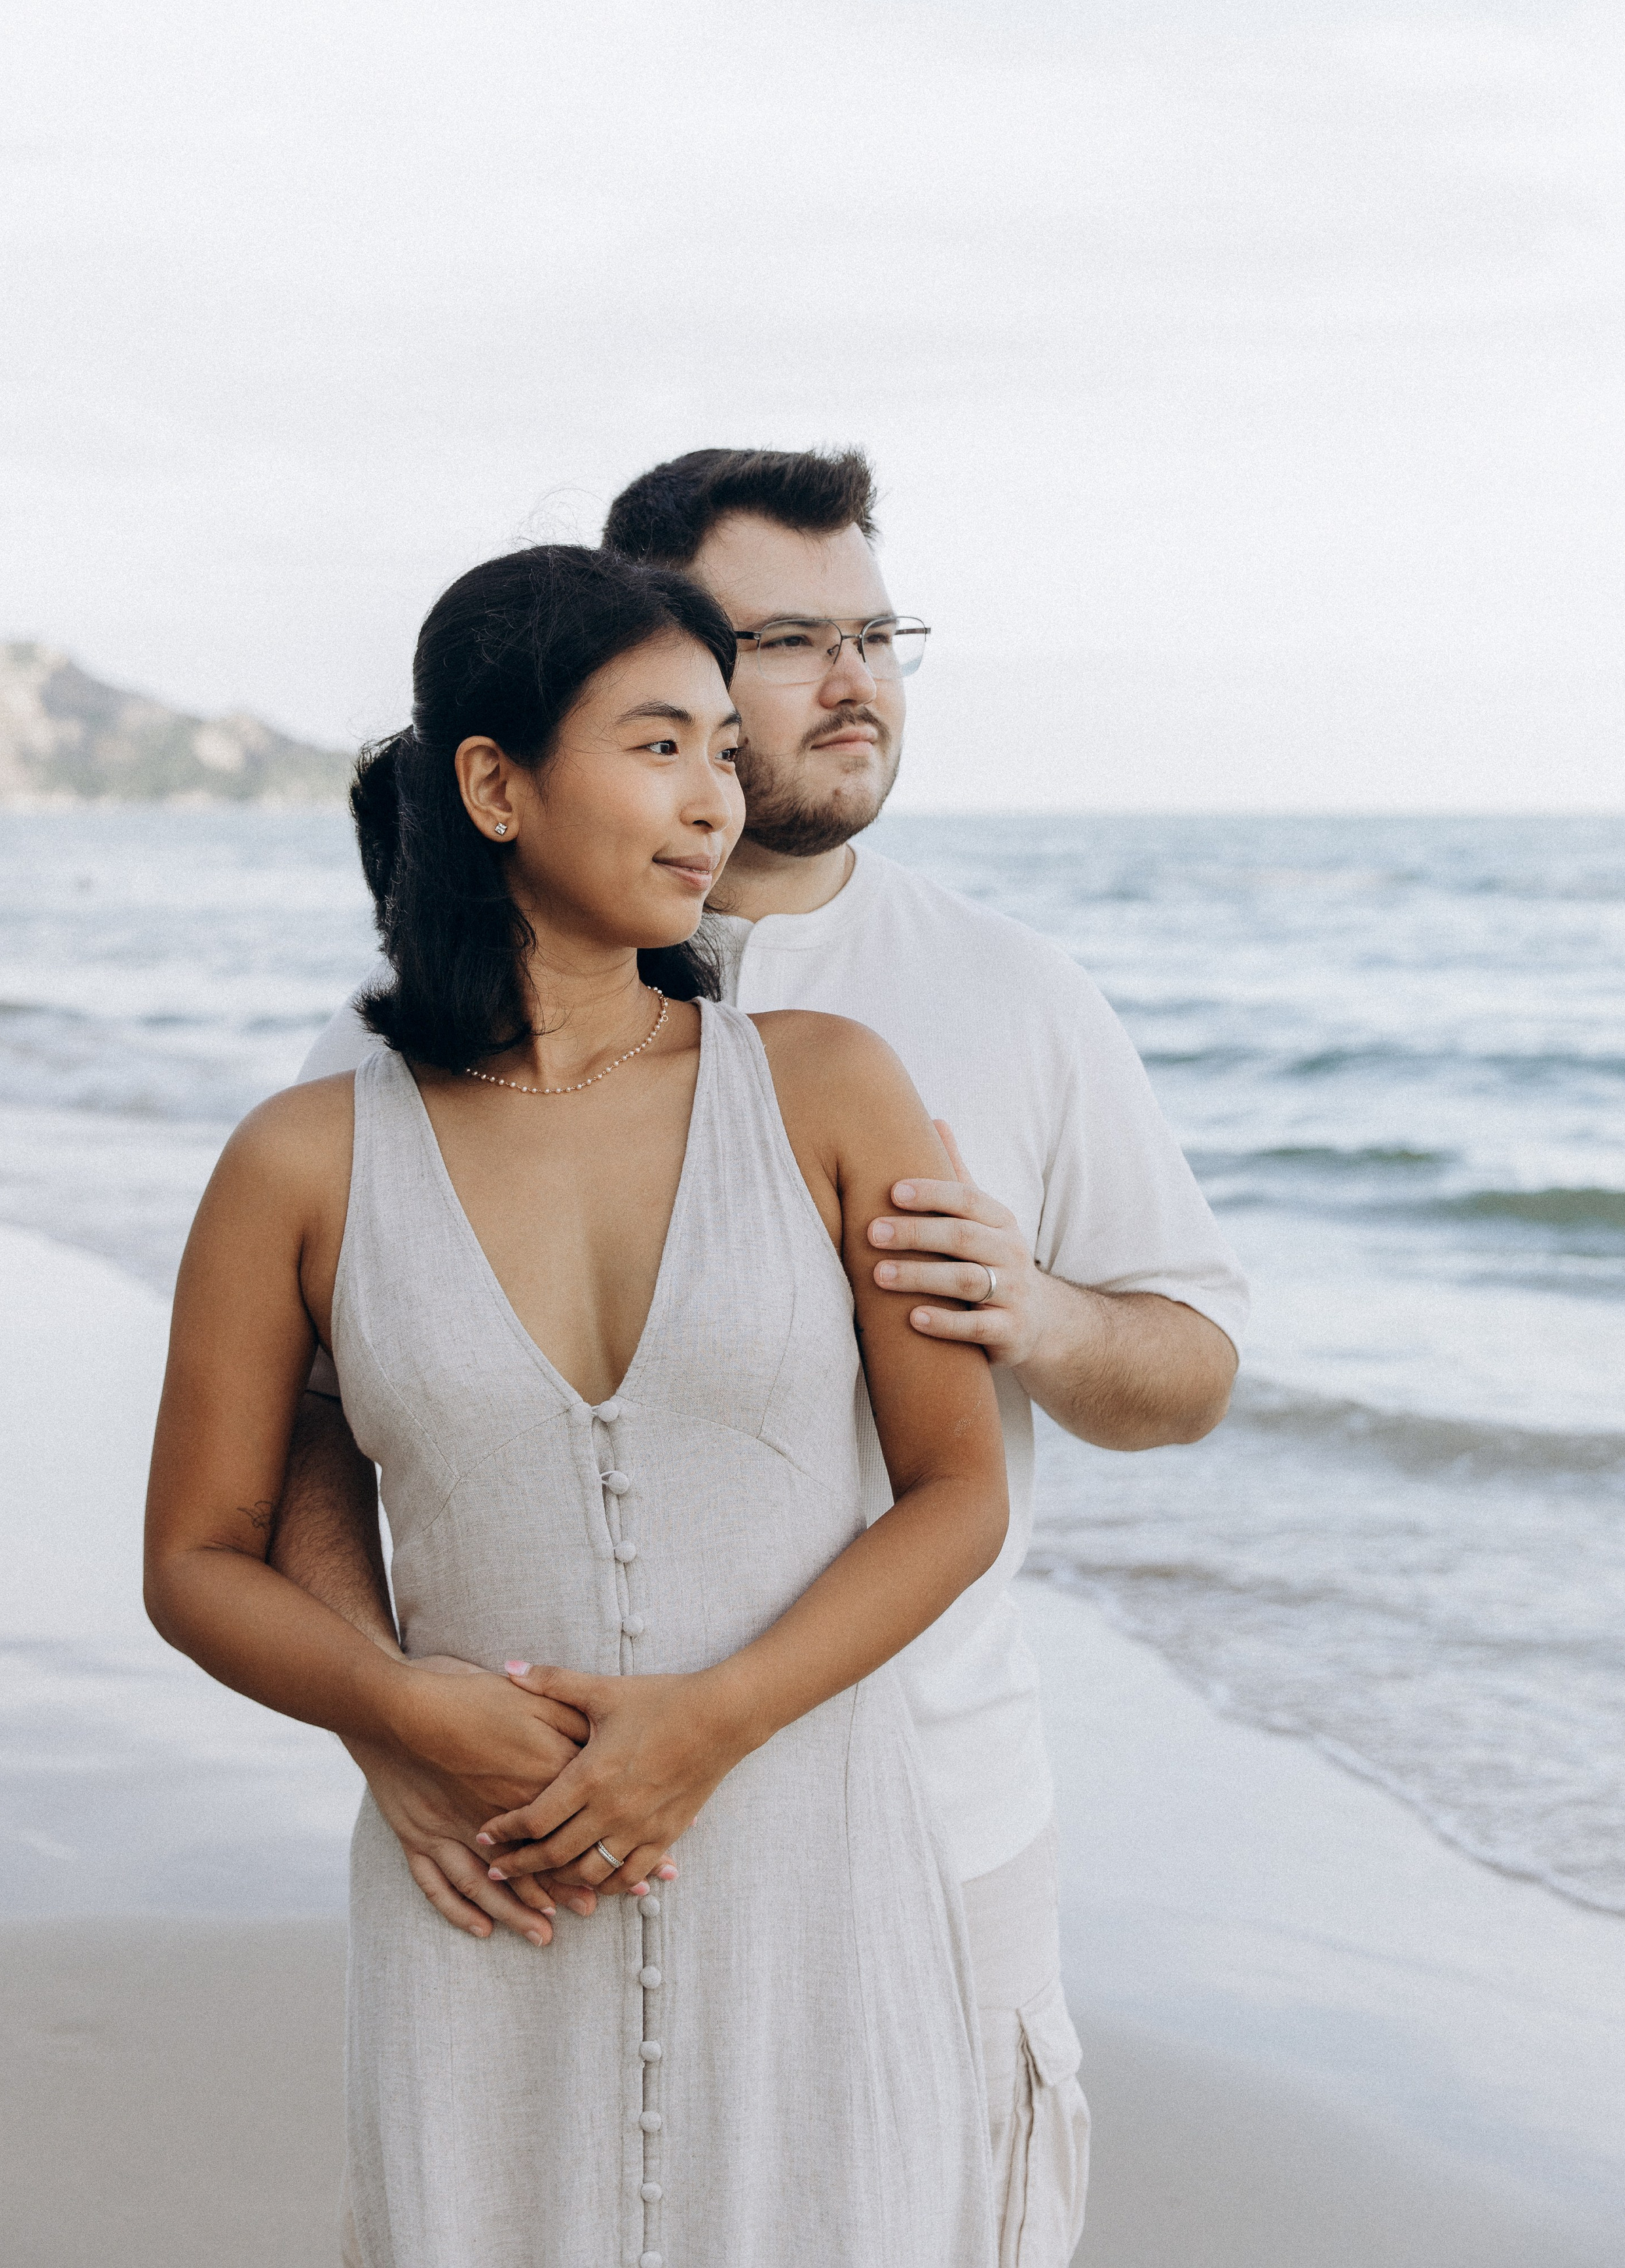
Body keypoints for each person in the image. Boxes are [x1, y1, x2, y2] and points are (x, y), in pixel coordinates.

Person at [282, 450, 1251, 2265]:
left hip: (933, 1819)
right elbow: (314, 1424)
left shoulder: (1009, 995)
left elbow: (1189, 1366)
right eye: (787, 640)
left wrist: (1033, 1310)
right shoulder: (405, 1039)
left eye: (877, 633)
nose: (850, 681)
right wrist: (384, 1720)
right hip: (530, 1846)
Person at [145, 544, 1011, 2268]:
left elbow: (955, 1491)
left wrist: (712, 1719)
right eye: (656, 745)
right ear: (493, 782)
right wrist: (399, 1712)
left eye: (717, 745)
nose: (716, 797)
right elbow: (199, 1554)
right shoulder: (305, 1160)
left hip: (806, 1892)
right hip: (489, 1903)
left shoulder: (831, 1089)